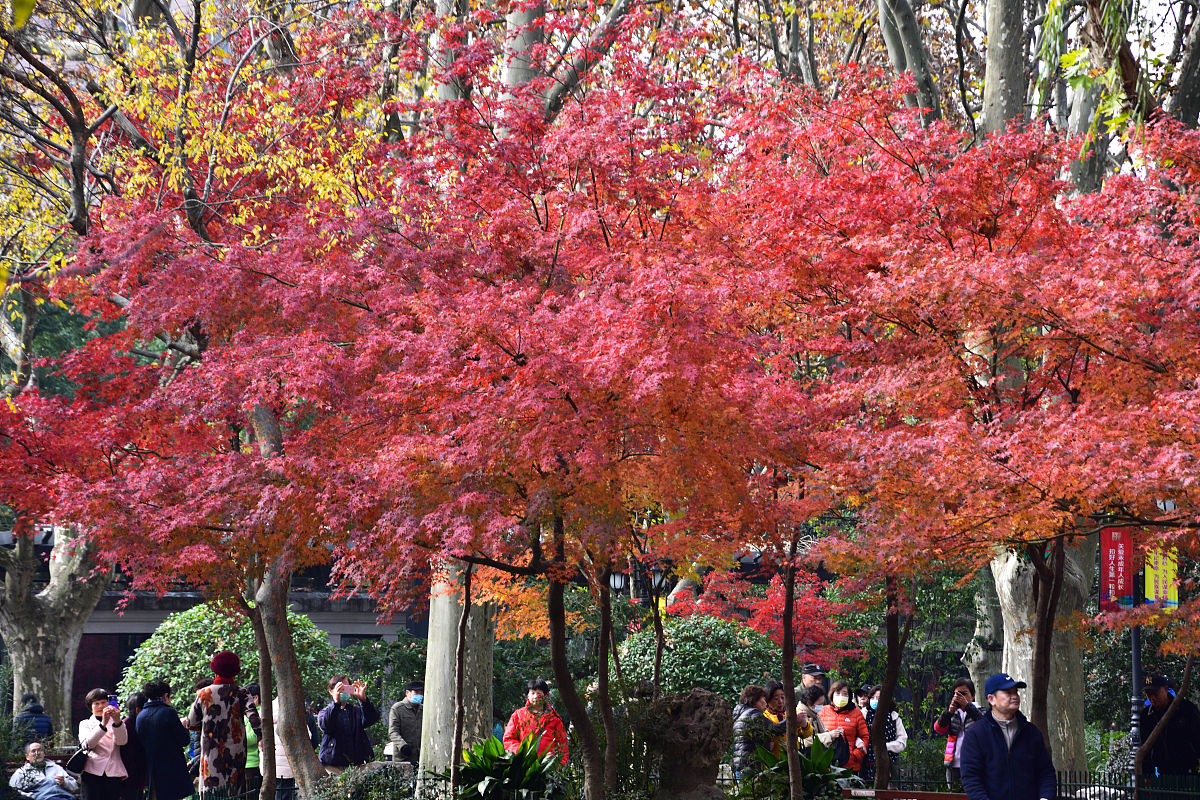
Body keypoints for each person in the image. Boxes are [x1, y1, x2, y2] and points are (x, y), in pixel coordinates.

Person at [959, 673, 1055, 800]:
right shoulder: (976, 734)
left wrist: (1045, 797)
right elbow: (971, 778)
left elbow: (1046, 772)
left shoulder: (1031, 732)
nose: (1014, 696)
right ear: (991, 699)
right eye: (1008, 692)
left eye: (1015, 692)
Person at [186, 651, 262, 796]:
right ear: (235, 671)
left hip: (211, 752)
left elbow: (192, 723)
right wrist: (260, 737)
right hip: (237, 753)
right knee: (235, 791)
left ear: (215, 670)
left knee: (212, 792)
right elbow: (254, 718)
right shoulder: (242, 693)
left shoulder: (203, 694)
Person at [137, 680, 192, 800]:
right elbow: (184, 740)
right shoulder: (168, 712)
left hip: (152, 770)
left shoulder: (140, 716)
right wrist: (184, 727)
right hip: (172, 769)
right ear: (165, 696)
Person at [317, 675, 379, 774]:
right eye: (341, 688)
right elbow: (327, 726)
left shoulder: (356, 711)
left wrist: (363, 700)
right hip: (333, 766)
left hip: (357, 766)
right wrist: (336, 703)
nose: (344, 691)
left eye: (347, 688)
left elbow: (372, 719)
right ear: (331, 690)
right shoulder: (324, 712)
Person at [1140, 673, 1200, 777]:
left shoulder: (1186, 709)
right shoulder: (1146, 716)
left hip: (1189, 771)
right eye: (1148, 694)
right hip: (1164, 772)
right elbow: (1145, 749)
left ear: (1166, 689)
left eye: (1155, 693)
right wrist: (1147, 775)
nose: (1152, 698)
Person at [78, 687, 128, 800]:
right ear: (91, 707)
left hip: (113, 772)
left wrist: (117, 721)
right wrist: (103, 724)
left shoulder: (118, 722)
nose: (101, 706)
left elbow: (122, 741)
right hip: (92, 771)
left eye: (104, 702)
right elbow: (88, 744)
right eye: (96, 703)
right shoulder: (85, 724)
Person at [502, 679, 568, 765]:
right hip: (523, 766)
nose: (535, 696)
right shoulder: (518, 715)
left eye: (539, 693)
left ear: (545, 695)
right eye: (532, 693)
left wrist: (559, 765)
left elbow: (563, 745)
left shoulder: (554, 719)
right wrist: (521, 753)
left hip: (546, 768)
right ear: (528, 695)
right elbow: (509, 739)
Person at [934, 677, 983, 789]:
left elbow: (986, 726)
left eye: (963, 693)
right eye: (957, 694)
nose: (960, 697)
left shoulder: (980, 711)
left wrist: (968, 707)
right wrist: (948, 712)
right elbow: (938, 729)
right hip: (952, 764)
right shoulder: (952, 713)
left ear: (973, 695)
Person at [818, 680, 869, 772]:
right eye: (837, 693)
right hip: (827, 764)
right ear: (832, 695)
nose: (841, 696)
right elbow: (815, 735)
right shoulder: (823, 711)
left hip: (850, 766)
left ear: (849, 696)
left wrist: (856, 755)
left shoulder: (856, 713)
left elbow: (864, 736)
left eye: (845, 694)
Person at [861, 686, 907, 783]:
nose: (875, 701)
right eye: (872, 698)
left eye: (878, 698)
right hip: (866, 763)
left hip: (889, 764)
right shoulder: (863, 714)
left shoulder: (894, 716)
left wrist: (885, 746)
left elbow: (902, 742)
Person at [9, 742, 78, 800]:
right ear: (27, 756)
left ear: (43, 753)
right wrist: (30, 796)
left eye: (40, 750)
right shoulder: (22, 772)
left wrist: (64, 782)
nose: (37, 753)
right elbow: (13, 792)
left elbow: (74, 787)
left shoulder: (55, 767)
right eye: (33, 751)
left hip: (62, 796)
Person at [761, 680, 812, 757]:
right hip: (775, 760)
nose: (780, 701)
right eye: (776, 698)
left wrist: (804, 725)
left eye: (782, 697)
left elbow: (807, 735)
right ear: (768, 700)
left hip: (794, 757)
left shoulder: (793, 712)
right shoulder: (764, 716)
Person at [119, 692, 148, 800]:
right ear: (138, 710)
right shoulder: (127, 725)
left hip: (137, 775)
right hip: (130, 776)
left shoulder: (134, 723)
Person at [388, 680, 424, 765]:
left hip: (421, 757)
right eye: (416, 692)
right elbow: (393, 732)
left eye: (421, 693)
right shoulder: (397, 709)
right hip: (403, 758)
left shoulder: (424, 709)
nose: (419, 695)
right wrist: (402, 746)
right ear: (407, 692)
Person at [798, 685, 836, 752]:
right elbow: (807, 741)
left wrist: (833, 733)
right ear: (810, 703)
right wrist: (828, 735)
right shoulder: (801, 716)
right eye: (820, 704)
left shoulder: (813, 714)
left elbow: (822, 731)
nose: (821, 706)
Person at [242, 684, 262, 799]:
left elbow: (253, 738)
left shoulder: (258, 715)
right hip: (244, 763)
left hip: (252, 763)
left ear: (255, 698)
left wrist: (237, 737)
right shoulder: (246, 715)